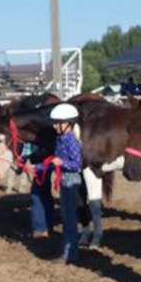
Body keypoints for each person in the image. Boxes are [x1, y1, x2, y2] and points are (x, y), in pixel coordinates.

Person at [49, 103, 83, 264]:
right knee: (66, 217)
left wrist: (61, 162)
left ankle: (70, 254)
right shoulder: (60, 139)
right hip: (64, 180)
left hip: (71, 180)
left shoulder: (71, 141)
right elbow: (55, 161)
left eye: (58, 123)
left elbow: (77, 164)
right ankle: (68, 250)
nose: (55, 126)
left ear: (68, 123)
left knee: (69, 218)